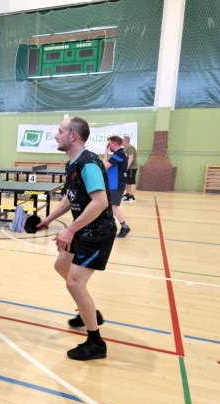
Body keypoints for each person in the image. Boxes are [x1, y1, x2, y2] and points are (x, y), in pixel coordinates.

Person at [36, 117, 116, 361]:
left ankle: (96, 343)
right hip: (84, 228)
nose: (56, 135)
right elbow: (70, 198)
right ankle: (88, 310)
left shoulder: (88, 163)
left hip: (97, 232)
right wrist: (48, 219)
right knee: (62, 266)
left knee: (74, 283)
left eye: (60, 131)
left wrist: (70, 230)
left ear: (73, 136)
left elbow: (100, 202)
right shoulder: (72, 163)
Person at [103, 136, 131, 238]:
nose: (108, 146)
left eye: (109, 144)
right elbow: (105, 166)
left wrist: (106, 153)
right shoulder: (117, 154)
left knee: (113, 207)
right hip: (112, 184)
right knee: (109, 207)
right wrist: (106, 153)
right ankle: (110, 226)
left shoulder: (120, 154)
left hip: (116, 184)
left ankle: (124, 227)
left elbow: (105, 166)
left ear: (114, 144)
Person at [122, 136, 138, 201]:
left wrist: (126, 167)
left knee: (132, 181)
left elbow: (131, 158)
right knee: (128, 181)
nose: (121, 141)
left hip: (132, 167)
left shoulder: (130, 147)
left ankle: (132, 196)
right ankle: (127, 194)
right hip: (129, 167)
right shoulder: (125, 148)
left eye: (122, 140)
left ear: (126, 141)